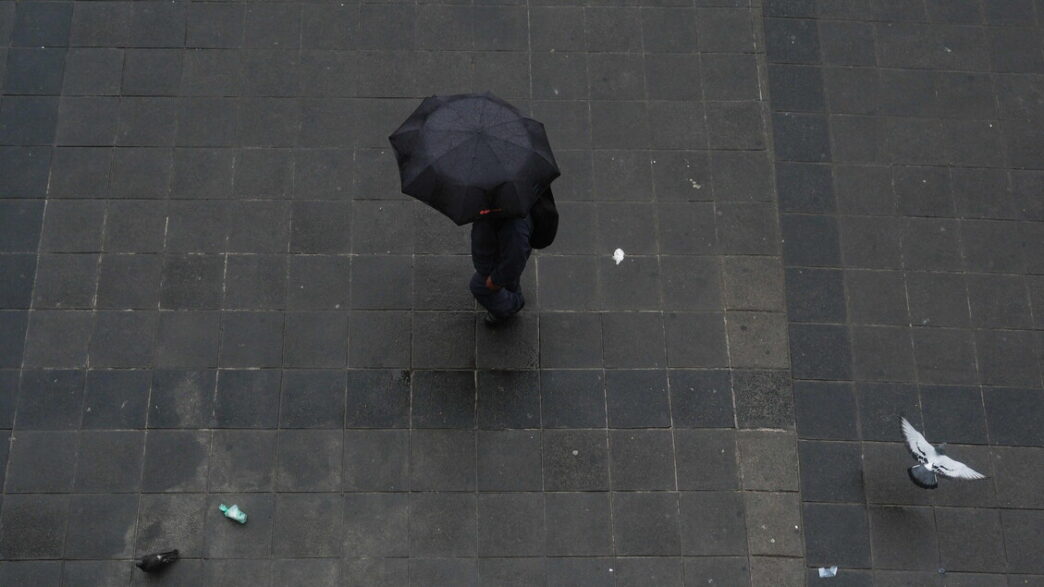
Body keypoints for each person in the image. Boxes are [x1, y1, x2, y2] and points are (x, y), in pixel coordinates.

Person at [469, 212, 533, 327]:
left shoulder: (514, 227)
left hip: (495, 265)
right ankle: (510, 290)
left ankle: (512, 305)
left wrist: (496, 280)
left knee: (479, 287)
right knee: (510, 283)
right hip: (495, 256)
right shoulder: (494, 208)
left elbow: (515, 258)